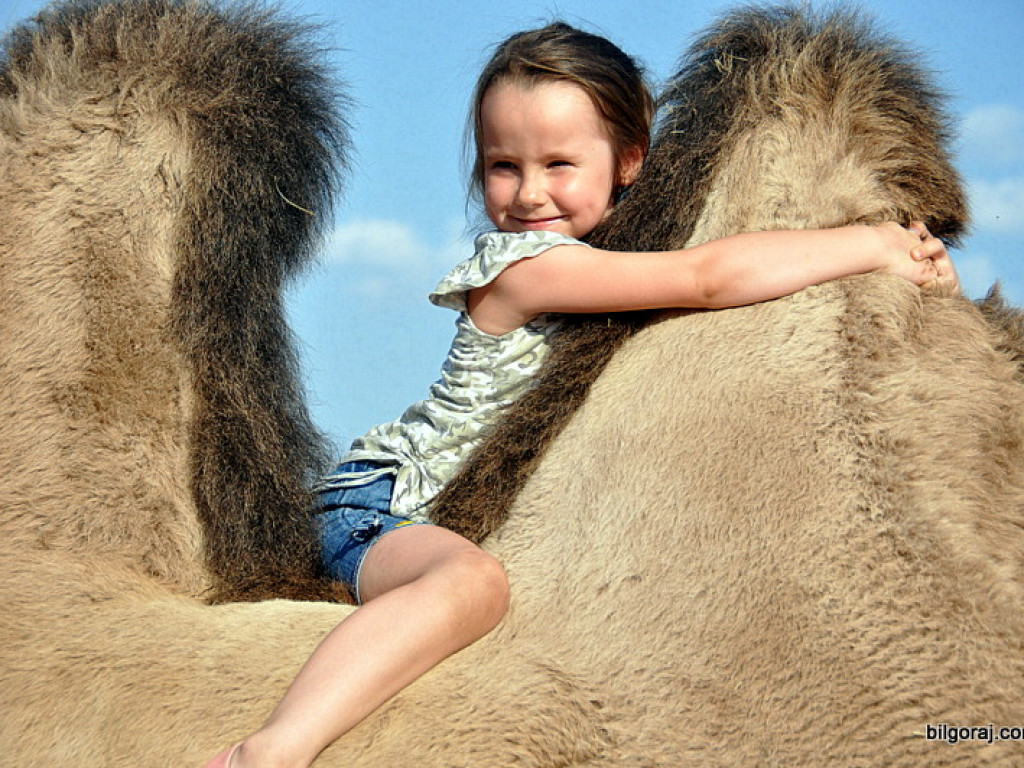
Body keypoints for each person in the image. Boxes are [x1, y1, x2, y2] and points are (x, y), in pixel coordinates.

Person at [205, 21, 957, 768]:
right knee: (470, 585)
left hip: (439, 505)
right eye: (504, 165)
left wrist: (921, 279)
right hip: (384, 503)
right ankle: (269, 749)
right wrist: (875, 246)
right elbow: (706, 278)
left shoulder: (604, 258)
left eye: (558, 163)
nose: (530, 192)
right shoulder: (525, 267)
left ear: (629, 160)